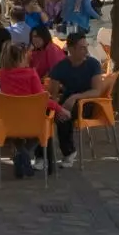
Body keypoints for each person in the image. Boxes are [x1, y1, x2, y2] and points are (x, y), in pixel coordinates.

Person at [0, 41, 58, 178]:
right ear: (21, 57)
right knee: (42, 128)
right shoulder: (31, 74)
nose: (31, 56)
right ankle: (23, 153)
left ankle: (20, 152)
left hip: (9, 123)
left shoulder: (2, 74)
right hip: (33, 123)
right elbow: (43, 99)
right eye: (28, 54)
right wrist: (60, 109)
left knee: (16, 133)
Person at [45, 31, 102, 168]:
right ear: (71, 49)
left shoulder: (93, 64)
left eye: (86, 46)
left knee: (62, 116)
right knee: (45, 113)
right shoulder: (61, 66)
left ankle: (69, 152)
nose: (86, 50)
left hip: (88, 101)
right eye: (82, 47)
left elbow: (97, 91)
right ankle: (42, 155)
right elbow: (52, 93)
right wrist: (56, 103)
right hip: (67, 100)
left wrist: (75, 97)